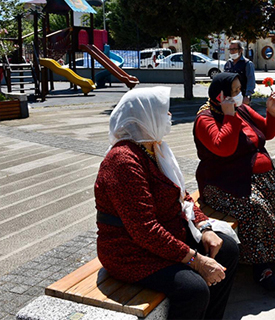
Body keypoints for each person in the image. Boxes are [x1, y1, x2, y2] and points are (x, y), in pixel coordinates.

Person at [95, 87, 239, 320]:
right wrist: (195, 259)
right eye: (164, 112)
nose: (170, 117)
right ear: (144, 117)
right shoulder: (123, 160)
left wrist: (205, 228)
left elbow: (183, 197)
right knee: (193, 289)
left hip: (165, 235)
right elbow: (145, 230)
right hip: (130, 252)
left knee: (227, 249)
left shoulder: (155, 148)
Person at [193, 72, 275, 291]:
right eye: (233, 91)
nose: (239, 95)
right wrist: (229, 115)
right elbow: (223, 147)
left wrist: (271, 111)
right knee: (255, 208)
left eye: (239, 90)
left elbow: (266, 133)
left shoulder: (241, 109)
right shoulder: (205, 118)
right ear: (220, 95)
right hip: (223, 182)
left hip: (254, 178)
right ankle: (260, 266)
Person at [224, 40, 255, 105]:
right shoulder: (228, 63)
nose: (232, 52)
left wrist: (247, 96)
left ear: (240, 50)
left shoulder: (247, 64)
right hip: (229, 97)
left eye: (234, 49)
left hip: (242, 97)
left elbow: (251, 80)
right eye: (230, 49)